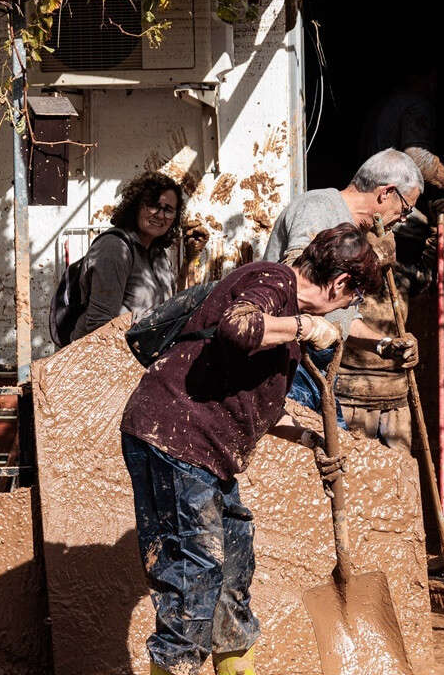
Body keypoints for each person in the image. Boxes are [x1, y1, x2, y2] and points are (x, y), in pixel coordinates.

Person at [121, 223, 384, 675]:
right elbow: (239, 327)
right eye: (353, 298)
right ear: (341, 284)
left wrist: (311, 439)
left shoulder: (285, 328)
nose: (348, 308)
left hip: (206, 453)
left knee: (232, 573)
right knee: (194, 579)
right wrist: (306, 326)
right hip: (174, 437)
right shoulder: (272, 281)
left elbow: (258, 408)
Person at [262, 149, 423, 434]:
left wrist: (383, 345)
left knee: (335, 462)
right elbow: (296, 286)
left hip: (317, 369)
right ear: (386, 193)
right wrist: (373, 254)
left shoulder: (352, 231)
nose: (402, 220)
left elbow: (341, 319)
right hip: (286, 368)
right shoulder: (319, 207)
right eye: (406, 209)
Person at [69, 172, 183, 342]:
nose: (160, 215)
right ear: (136, 206)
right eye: (153, 205)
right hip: (103, 358)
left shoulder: (157, 253)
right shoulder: (114, 248)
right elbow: (99, 326)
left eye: (168, 210)